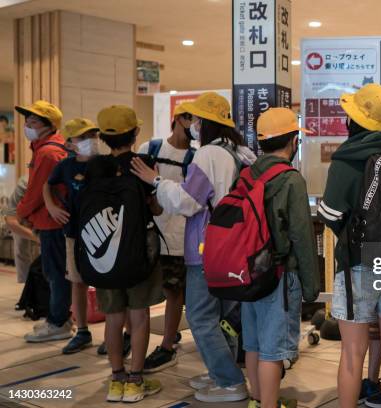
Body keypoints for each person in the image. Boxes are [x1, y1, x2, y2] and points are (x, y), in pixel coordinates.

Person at [130, 91, 255, 402]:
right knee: (223, 317)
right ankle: (220, 371)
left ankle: (229, 380)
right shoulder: (240, 153)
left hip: (206, 248)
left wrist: (157, 182)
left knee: (200, 316)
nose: (194, 124)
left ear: (208, 123)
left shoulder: (207, 155)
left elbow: (189, 202)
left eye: (198, 119)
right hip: (235, 247)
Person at [318, 83, 381, 408]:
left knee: (351, 355)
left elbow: (331, 214)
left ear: (354, 120)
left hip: (357, 264)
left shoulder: (346, 161)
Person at [241, 107, 320, 408]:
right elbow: (302, 236)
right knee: (273, 351)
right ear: (291, 141)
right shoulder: (291, 180)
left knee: (253, 343)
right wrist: (311, 287)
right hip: (279, 275)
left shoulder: (246, 173)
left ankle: (257, 400)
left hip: (249, 273)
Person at [89, 105, 164, 403]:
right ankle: (135, 380)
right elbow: (156, 208)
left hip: (104, 253)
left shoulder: (94, 168)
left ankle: (116, 378)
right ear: (134, 133)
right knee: (139, 316)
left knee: (112, 316)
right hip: (138, 252)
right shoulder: (142, 164)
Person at [137, 102, 194, 373]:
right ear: (179, 118)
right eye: (192, 119)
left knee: (175, 292)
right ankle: (133, 336)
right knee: (141, 291)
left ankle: (168, 345)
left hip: (179, 238)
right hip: (148, 234)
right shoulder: (152, 148)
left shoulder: (195, 157)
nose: (196, 126)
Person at [43, 118, 101, 354]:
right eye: (83, 137)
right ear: (69, 144)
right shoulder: (65, 166)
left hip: (102, 232)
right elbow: (48, 184)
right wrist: (51, 206)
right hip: (74, 233)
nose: (91, 141)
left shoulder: (103, 164)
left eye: (93, 136)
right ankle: (83, 331)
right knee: (77, 281)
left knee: (107, 283)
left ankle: (115, 334)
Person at [15, 100, 72, 343]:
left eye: (34, 121)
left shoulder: (48, 152)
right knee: (55, 271)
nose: (27, 124)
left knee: (55, 273)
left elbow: (36, 191)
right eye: (27, 120)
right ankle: (58, 318)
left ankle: (58, 322)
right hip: (50, 221)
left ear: (49, 126)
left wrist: (21, 213)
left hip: (53, 222)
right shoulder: (46, 148)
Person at [2, 176, 40, 307]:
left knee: (48, 253)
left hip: (45, 215)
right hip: (21, 218)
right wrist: (37, 238)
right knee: (21, 249)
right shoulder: (23, 185)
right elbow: (11, 222)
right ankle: (27, 292)